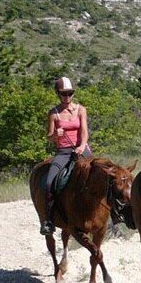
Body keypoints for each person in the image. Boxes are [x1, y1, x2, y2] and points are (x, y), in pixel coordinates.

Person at [40, 76, 91, 235]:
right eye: (64, 94)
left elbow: (84, 131)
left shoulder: (81, 109)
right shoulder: (53, 113)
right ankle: (48, 219)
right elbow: (49, 137)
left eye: (70, 93)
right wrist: (56, 134)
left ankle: (110, 215)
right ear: (58, 94)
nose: (67, 97)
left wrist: (82, 146)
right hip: (63, 151)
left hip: (81, 149)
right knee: (49, 183)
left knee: (101, 175)